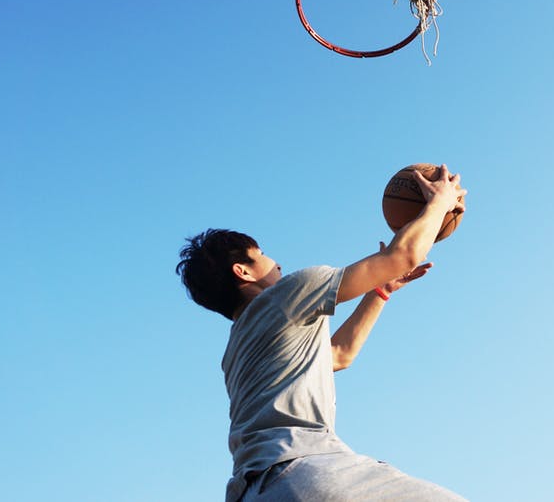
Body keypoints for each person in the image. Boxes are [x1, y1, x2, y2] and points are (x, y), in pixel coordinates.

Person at [177, 165, 469, 501]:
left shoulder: (238, 351)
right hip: (302, 468)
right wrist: (439, 203)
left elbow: (339, 354)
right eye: (263, 257)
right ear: (242, 271)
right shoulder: (286, 294)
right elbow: (403, 255)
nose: (278, 265)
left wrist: (380, 292)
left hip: (257, 491)